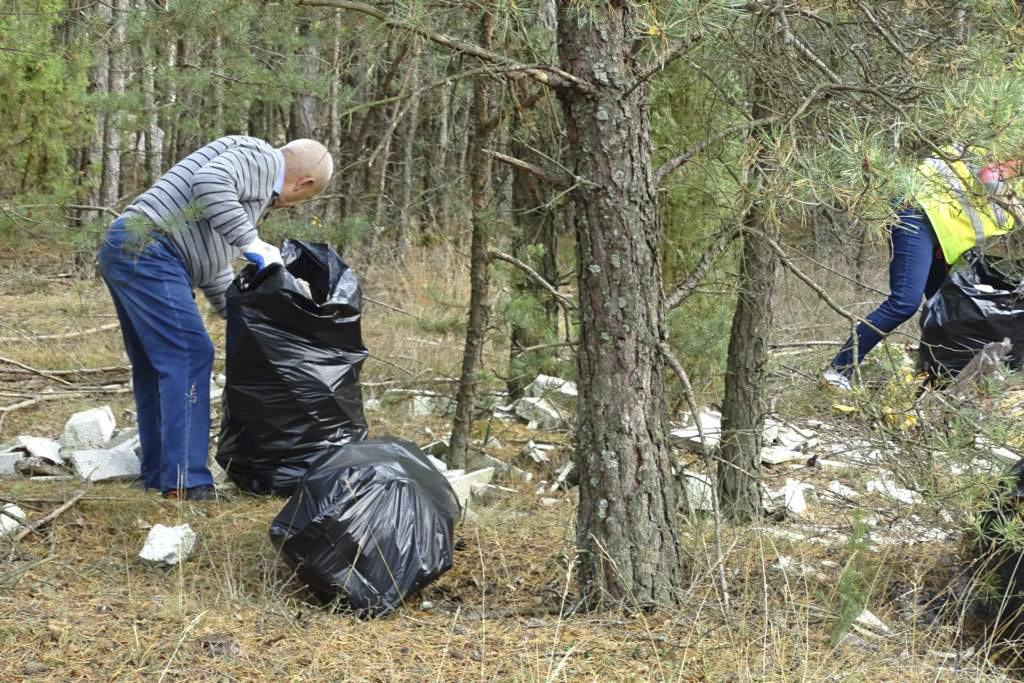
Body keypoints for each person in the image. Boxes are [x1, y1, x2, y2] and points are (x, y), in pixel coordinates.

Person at [98, 136, 334, 499]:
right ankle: (187, 482)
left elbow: (211, 266)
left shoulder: (250, 186)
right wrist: (251, 243)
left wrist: (251, 319)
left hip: (133, 247)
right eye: (305, 199)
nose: (291, 206)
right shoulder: (262, 161)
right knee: (191, 355)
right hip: (151, 250)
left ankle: (161, 475)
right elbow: (209, 182)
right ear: (304, 184)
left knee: (155, 364)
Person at [822, 146, 1021, 390]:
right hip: (918, 212)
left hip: (943, 237)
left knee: (951, 310)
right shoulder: (1006, 141)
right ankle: (838, 370)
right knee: (904, 303)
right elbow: (988, 177)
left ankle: (942, 381)